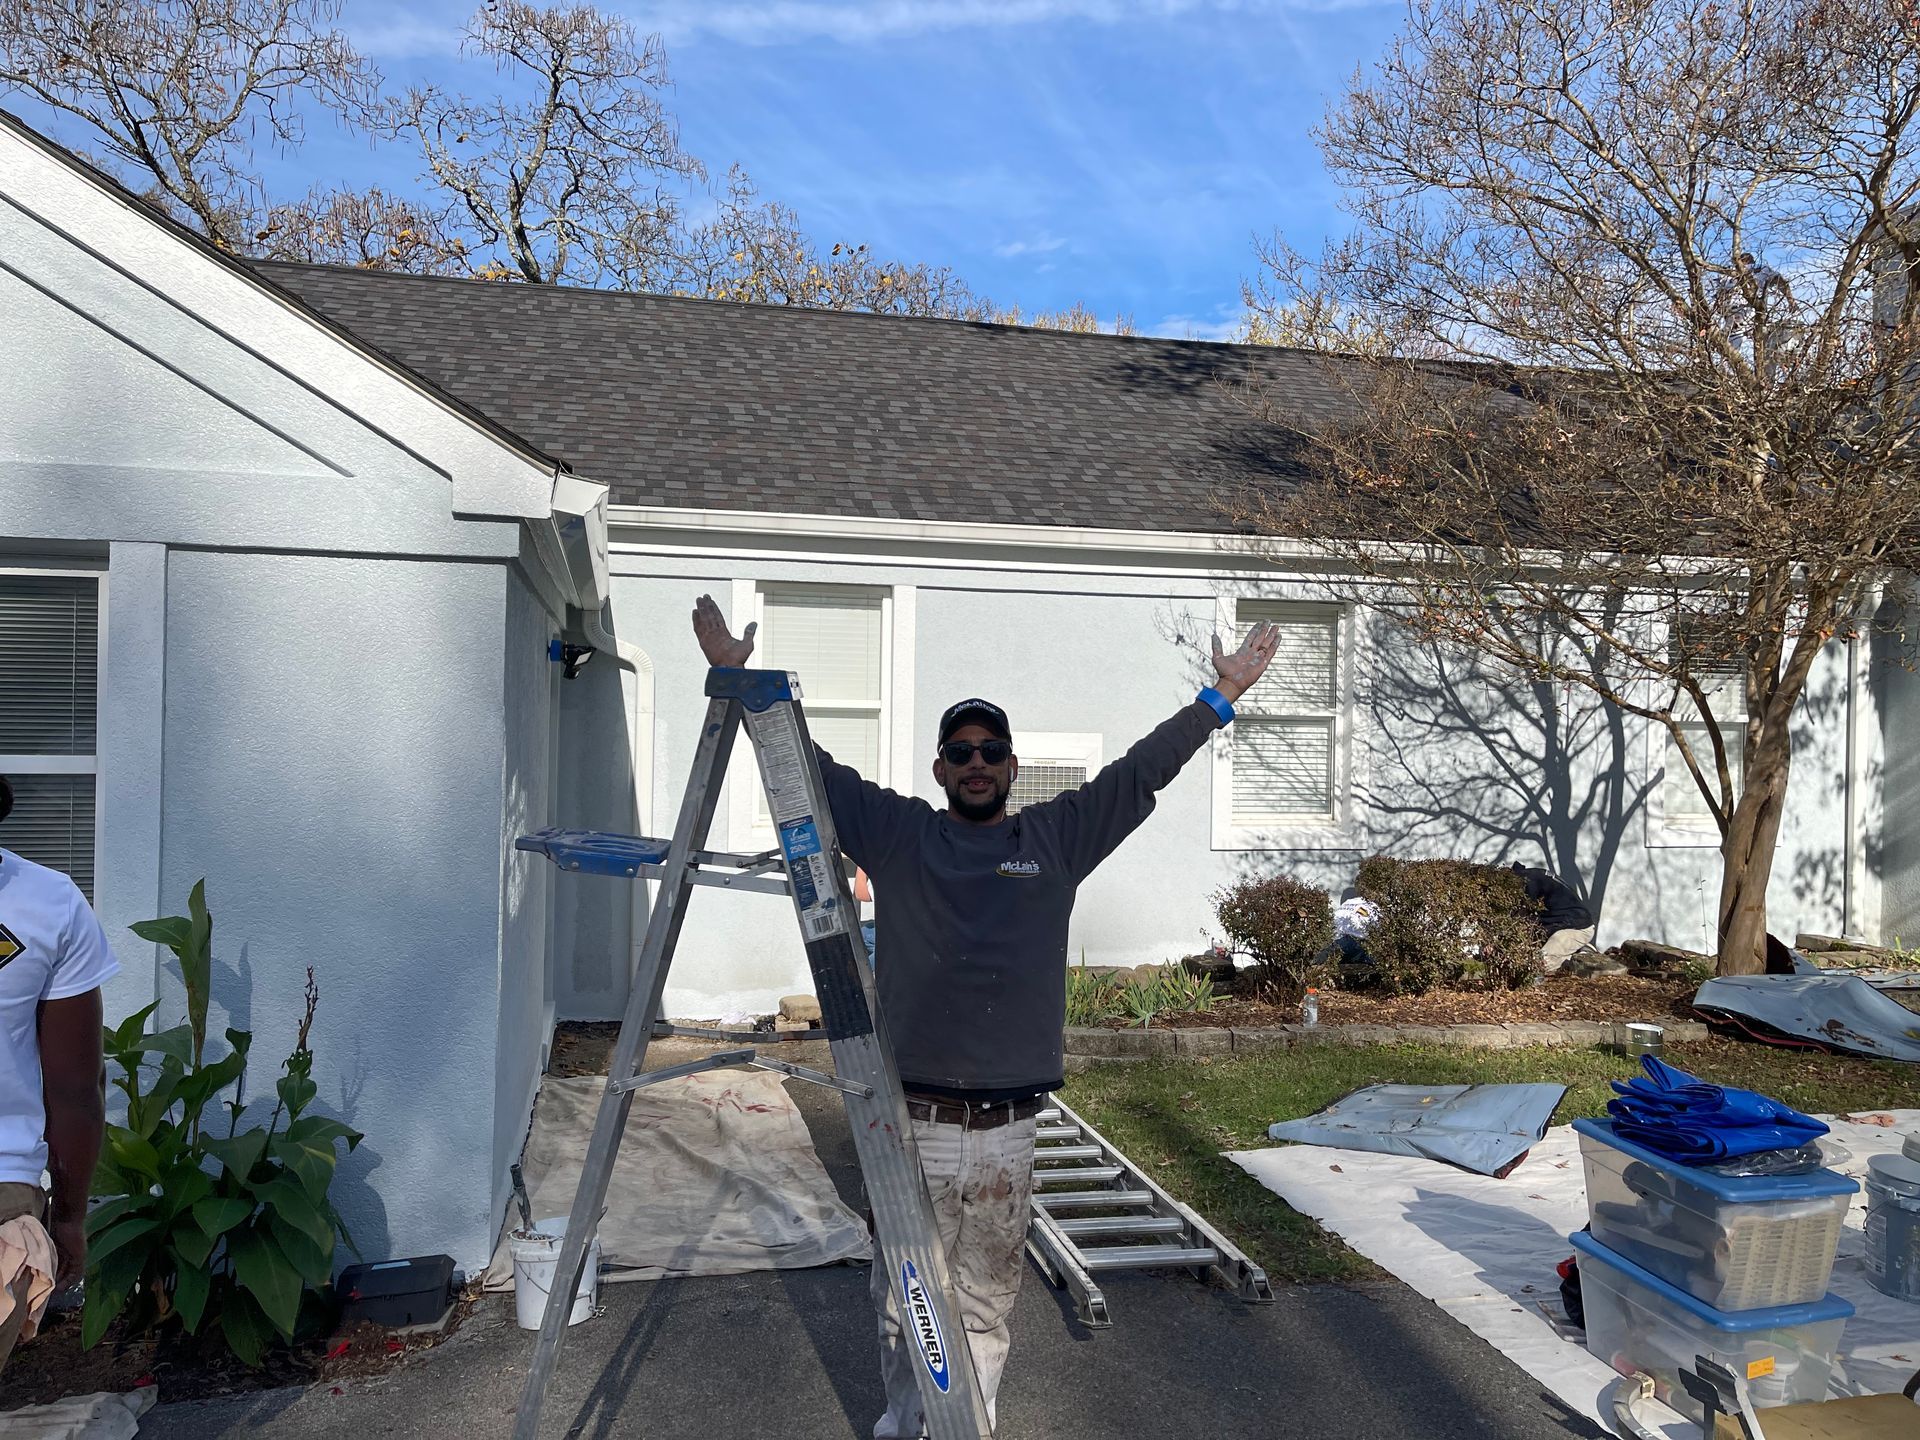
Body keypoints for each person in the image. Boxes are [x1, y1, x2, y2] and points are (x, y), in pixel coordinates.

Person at [691, 595, 1279, 1439]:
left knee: (985, 1299)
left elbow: (1141, 771)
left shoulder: (1057, 839)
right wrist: (739, 681)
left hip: (1009, 1129)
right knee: (903, 1302)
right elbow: (809, 770)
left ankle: (970, 1427)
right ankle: (906, 1425)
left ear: (1011, 766)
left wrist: (1220, 697)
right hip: (915, 1123)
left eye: (991, 752)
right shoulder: (900, 834)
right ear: (940, 769)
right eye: (961, 752)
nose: (977, 763)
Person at [0, 775, 115, 1375]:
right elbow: (75, 1089)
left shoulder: (51, 905)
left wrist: (67, 1215)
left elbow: (75, 1087)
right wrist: (69, 1218)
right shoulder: (47, 903)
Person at [1507, 860, 1597, 973]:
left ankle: (1582, 956)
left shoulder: (1529, 882)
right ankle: (1575, 950)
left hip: (1577, 928)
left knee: (1539, 963)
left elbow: (1519, 918)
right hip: (1561, 925)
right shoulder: (1533, 876)